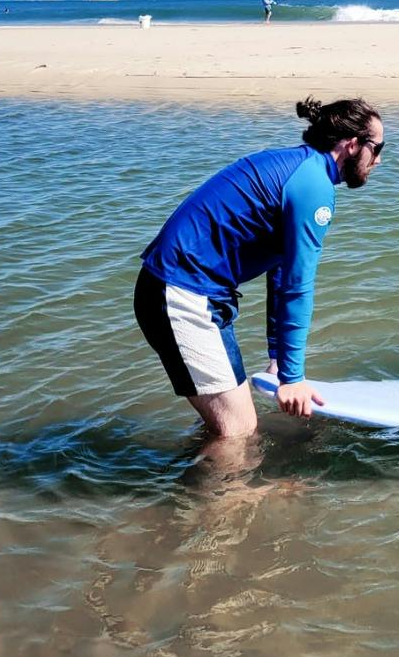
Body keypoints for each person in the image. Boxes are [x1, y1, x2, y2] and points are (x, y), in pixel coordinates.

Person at [135, 97, 385, 437]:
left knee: (227, 425)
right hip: (183, 294)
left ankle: (206, 484)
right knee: (238, 431)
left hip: (188, 291)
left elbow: (281, 273)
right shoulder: (314, 186)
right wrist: (294, 379)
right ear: (353, 145)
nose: (380, 159)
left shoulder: (300, 166)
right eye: (378, 147)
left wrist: (280, 359)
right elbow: (298, 284)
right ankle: (229, 492)